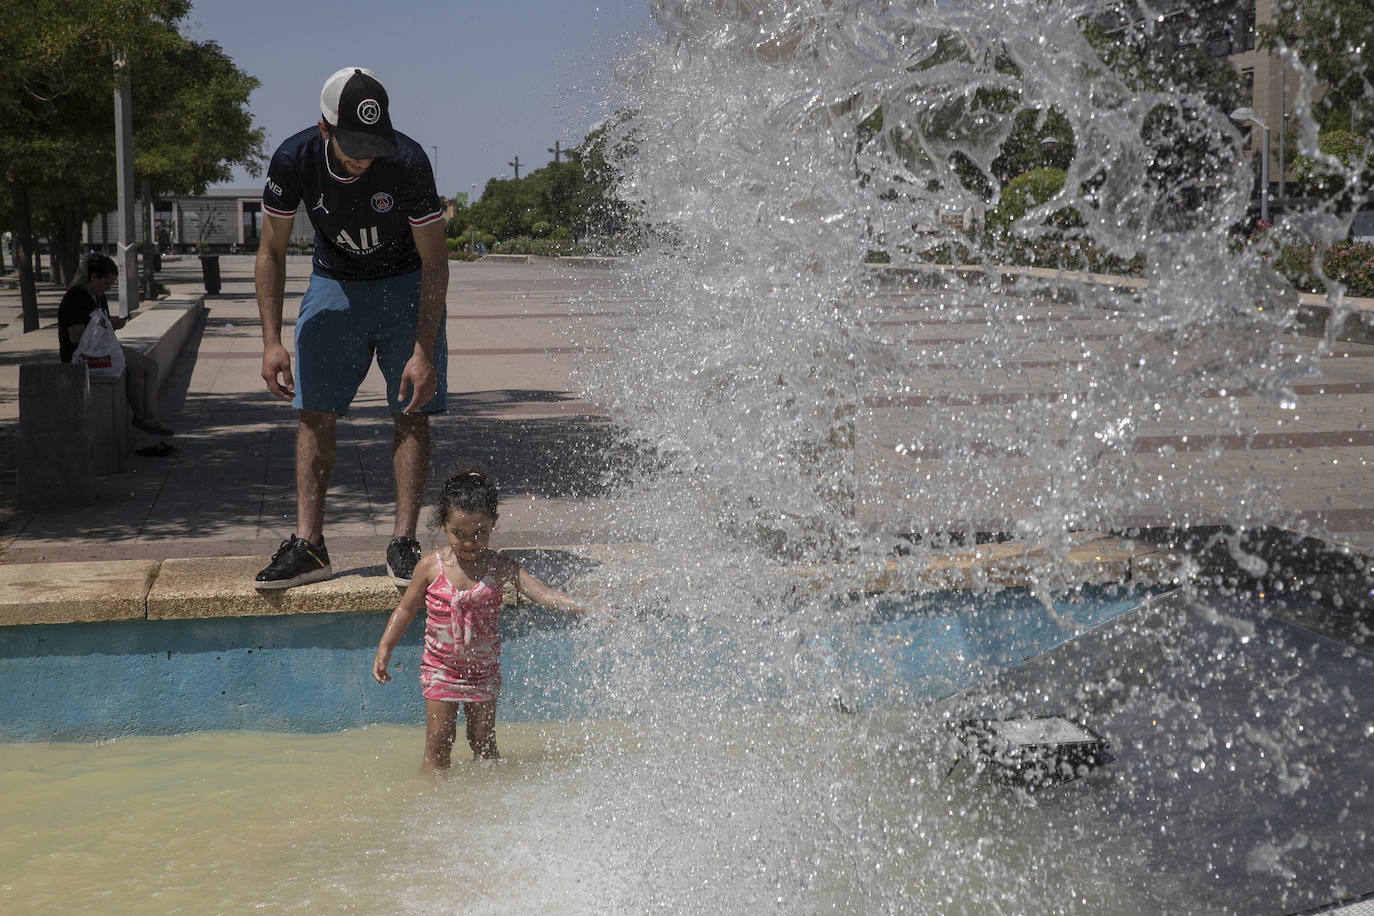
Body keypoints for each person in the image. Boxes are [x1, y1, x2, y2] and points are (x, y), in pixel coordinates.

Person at [254, 66, 449, 589]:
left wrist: (423, 349)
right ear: (325, 129)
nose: (364, 155)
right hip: (333, 284)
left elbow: (436, 262)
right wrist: (272, 341)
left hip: (404, 285)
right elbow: (270, 250)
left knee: (412, 409)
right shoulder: (292, 159)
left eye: (372, 143)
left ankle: (403, 542)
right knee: (314, 411)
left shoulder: (407, 161)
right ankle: (310, 547)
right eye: (353, 144)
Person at [372, 469, 591, 769]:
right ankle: (436, 808)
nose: (469, 542)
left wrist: (587, 607)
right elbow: (406, 609)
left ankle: (485, 803)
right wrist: (385, 647)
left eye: (480, 533)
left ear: (493, 524)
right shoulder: (430, 567)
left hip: (483, 672)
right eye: (458, 533)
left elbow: (542, 593)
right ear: (443, 525)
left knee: (484, 745)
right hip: (440, 669)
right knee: (438, 747)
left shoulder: (499, 567)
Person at [57, 252, 174, 438]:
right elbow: (75, 337)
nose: (108, 288)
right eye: (106, 283)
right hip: (80, 355)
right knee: (134, 367)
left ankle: (151, 417)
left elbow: (99, 326)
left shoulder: (98, 296)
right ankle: (140, 417)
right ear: (93, 277)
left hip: (99, 349)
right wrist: (106, 323)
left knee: (151, 366)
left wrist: (112, 323)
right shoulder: (77, 297)